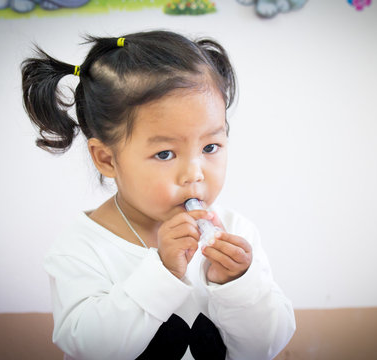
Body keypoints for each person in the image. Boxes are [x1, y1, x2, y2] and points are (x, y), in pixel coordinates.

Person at [21, 30, 295, 360]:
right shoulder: (82, 247)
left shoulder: (237, 232)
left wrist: (237, 285)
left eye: (210, 147)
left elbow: (267, 346)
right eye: (165, 153)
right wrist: (162, 273)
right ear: (107, 158)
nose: (194, 173)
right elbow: (90, 348)